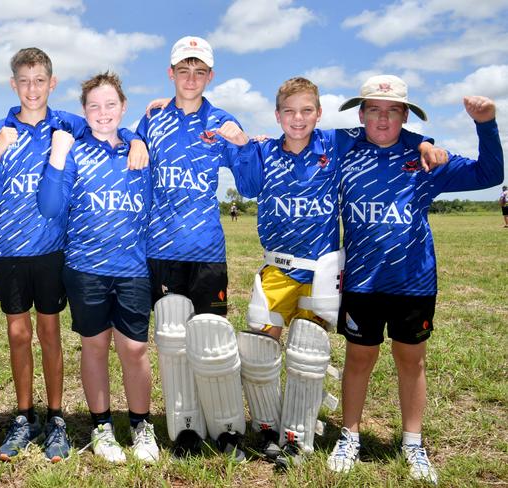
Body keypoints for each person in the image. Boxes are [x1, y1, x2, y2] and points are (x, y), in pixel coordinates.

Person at [220, 77, 441, 467]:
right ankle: (267, 425)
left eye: (307, 111)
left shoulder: (334, 144)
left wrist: (422, 143)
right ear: (277, 115)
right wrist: (237, 143)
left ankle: (299, 429)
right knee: (259, 347)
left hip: (321, 269)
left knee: (308, 351)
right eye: (289, 111)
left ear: (319, 114)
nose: (298, 118)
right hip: (278, 266)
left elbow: (383, 129)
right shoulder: (265, 150)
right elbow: (243, 175)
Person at [328, 75, 504, 484]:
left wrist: (486, 124)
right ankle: (349, 435)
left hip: (414, 281)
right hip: (361, 281)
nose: (382, 119)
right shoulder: (344, 149)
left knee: (412, 361)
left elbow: (490, 174)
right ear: (361, 113)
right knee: (358, 360)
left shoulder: (426, 160)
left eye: (392, 111)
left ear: (404, 116)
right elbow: (299, 134)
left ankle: (412, 443)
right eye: (374, 109)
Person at [0, 48, 147, 463]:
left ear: (52, 84)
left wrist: (136, 138)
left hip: (53, 250)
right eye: (24, 80)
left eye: (40, 81)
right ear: (13, 84)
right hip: (8, 250)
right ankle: (23, 416)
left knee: (50, 334)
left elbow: (107, 125)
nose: (32, 88)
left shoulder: (68, 124)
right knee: (18, 336)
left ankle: (56, 418)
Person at [137, 36, 250, 459]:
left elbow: (251, 183)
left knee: (211, 342)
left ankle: (224, 427)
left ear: (210, 76)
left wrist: (241, 146)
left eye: (199, 71)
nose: (190, 78)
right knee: (172, 342)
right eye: (183, 70)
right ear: (170, 74)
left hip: (206, 251)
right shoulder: (152, 119)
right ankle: (185, 427)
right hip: (160, 250)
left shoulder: (222, 120)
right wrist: (134, 136)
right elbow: (133, 157)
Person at [37, 71, 158, 464]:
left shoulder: (141, 150)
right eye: (94, 106)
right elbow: (51, 207)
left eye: (111, 105)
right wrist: (57, 155)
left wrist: (139, 138)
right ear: (84, 111)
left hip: (132, 268)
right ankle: (102, 425)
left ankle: (142, 426)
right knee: (95, 346)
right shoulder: (75, 150)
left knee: (136, 349)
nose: (103, 113)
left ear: (124, 108)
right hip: (86, 268)